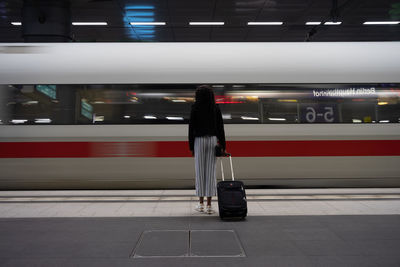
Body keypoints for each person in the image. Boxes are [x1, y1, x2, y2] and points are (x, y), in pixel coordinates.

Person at [189, 85, 226, 214]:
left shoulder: (195, 107)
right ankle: (210, 205)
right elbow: (221, 128)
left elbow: (191, 128)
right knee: (210, 172)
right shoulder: (215, 108)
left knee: (200, 172)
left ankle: (200, 204)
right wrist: (223, 145)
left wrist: (191, 146)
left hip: (199, 141)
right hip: (212, 140)